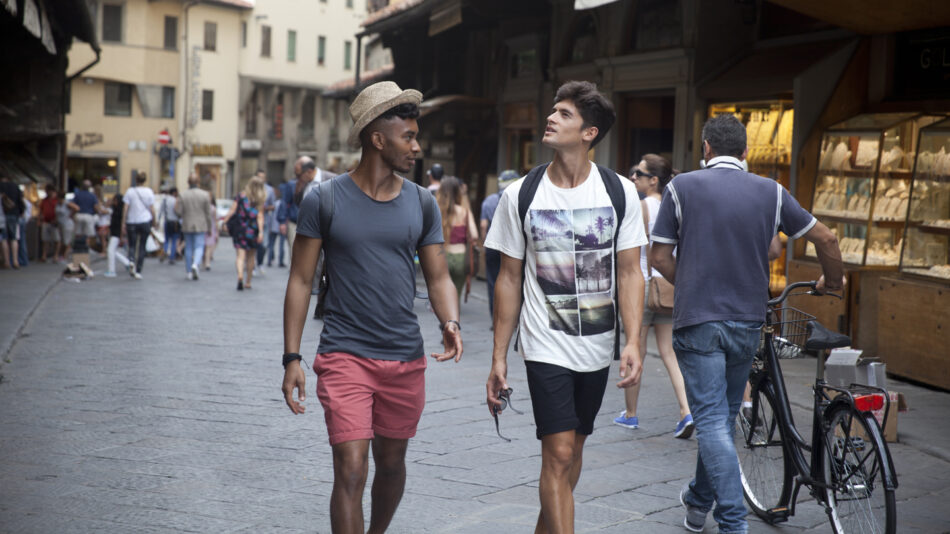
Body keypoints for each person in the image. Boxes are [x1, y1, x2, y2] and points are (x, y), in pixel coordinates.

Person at [281, 81, 463, 534]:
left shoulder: (421, 202)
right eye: (409, 137)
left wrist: (451, 321)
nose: (417, 147)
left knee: (392, 464)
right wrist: (291, 357)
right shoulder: (323, 199)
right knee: (351, 466)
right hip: (344, 352)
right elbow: (301, 279)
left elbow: (438, 276)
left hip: (404, 355)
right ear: (377, 139)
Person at [649, 114, 844, 534]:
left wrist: (693, 284)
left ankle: (733, 523)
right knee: (719, 416)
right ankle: (698, 503)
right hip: (747, 322)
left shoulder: (681, 187)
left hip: (698, 321)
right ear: (745, 153)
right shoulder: (771, 191)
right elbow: (826, 239)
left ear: (705, 148)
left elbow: (659, 257)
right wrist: (835, 281)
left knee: (712, 421)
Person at [484, 80, 647, 533]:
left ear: (589, 132)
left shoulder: (619, 193)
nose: (551, 118)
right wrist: (499, 356)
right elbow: (508, 278)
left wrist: (633, 340)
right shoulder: (521, 194)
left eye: (564, 114)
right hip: (543, 343)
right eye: (552, 110)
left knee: (572, 453)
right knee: (557, 453)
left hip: (596, 344)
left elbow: (631, 272)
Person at [613, 155, 693, 439]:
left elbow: (632, 251)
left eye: (639, 173)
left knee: (636, 348)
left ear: (654, 180)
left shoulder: (642, 206)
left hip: (645, 286)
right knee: (670, 353)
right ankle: (686, 411)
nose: (633, 177)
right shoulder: (675, 206)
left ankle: (631, 415)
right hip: (670, 285)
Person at [480, 170, 518, 320]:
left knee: (493, 282)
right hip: (514, 245)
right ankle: (513, 318)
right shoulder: (518, 198)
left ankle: (494, 317)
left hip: (493, 245)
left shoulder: (489, 201)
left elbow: (483, 225)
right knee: (514, 280)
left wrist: (484, 244)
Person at [436, 176, 478, 301]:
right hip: (461, 258)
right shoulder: (465, 212)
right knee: (455, 297)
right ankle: (453, 319)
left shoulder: (438, 211)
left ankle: (443, 319)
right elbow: (475, 234)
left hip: (442, 257)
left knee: (442, 298)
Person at [222, 176, 265, 290]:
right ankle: (248, 281)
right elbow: (260, 216)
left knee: (240, 257)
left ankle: (240, 276)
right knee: (251, 257)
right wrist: (261, 232)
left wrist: (224, 222)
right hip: (253, 230)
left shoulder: (241, 196)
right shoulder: (260, 199)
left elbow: (232, 210)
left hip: (240, 229)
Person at [176, 173, 214, 281]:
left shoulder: (183, 195)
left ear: (188, 182)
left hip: (187, 224)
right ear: (198, 182)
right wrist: (210, 227)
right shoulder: (205, 195)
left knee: (188, 247)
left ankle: (188, 271)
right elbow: (208, 213)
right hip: (200, 224)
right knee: (199, 246)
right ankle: (195, 264)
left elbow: (179, 212)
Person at [122, 172, 156, 279]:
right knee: (142, 246)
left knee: (132, 244)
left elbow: (125, 208)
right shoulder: (149, 191)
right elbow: (152, 208)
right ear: (144, 180)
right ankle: (138, 270)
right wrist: (155, 220)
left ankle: (131, 260)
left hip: (132, 221)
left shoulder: (130, 191)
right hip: (145, 221)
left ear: (135, 180)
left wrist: (123, 221)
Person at [0, 175, 24, 268]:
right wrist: (20, 211)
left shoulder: (0, 186)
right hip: (14, 214)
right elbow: (20, 201)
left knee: (4, 239)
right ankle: (15, 261)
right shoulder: (15, 186)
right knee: (14, 238)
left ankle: (6, 262)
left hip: (2, 215)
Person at [254, 170, 275, 276]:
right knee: (252, 244)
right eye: (259, 177)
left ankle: (260, 262)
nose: (261, 179)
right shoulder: (251, 189)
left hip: (265, 221)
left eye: (263, 177)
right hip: (252, 221)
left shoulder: (270, 190)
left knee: (264, 244)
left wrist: (266, 208)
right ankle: (252, 265)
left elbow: (273, 205)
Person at [103, 194, 130, 277]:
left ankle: (112, 270)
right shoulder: (117, 210)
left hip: (116, 233)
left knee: (110, 251)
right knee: (112, 251)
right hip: (115, 233)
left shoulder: (118, 212)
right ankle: (127, 263)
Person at [72, 180, 101, 251]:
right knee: (89, 234)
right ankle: (86, 247)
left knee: (78, 233)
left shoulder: (78, 194)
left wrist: (72, 214)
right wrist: (98, 213)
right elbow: (95, 207)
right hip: (88, 216)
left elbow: (73, 204)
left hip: (79, 215)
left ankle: (78, 247)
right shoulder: (92, 196)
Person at [55, 190, 78, 263]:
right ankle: (62, 256)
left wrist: (71, 215)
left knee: (66, 241)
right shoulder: (58, 204)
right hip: (60, 224)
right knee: (62, 240)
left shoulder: (67, 203)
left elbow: (76, 208)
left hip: (67, 224)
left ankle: (64, 256)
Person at [160, 187, 181, 265]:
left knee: (166, 239)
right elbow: (179, 212)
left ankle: (165, 251)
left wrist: (158, 221)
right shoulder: (176, 200)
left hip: (167, 221)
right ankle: (172, 257)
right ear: (174, 192)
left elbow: (161, 211)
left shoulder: (165, 200)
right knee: (174, 240)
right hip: (175, 222)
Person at [38, 185, 59, 262]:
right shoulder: (44, 200)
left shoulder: (57, 200)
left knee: (56, 239)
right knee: (45, 240)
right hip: (46, 221)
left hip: (55, 222)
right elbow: (41, 210)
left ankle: (55, 255)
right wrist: (39, 220)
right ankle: (44, 255)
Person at [267, 197, 286, 268]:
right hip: (282, 225)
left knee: (271, 244)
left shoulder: (274, 203)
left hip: (273, 226)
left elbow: (271, 216)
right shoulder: (284, 203)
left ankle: (269, 260)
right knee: (281, 244)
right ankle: (280, 261)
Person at [203, 193, 218, 271]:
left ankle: (207, 262)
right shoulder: (208, 208)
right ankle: (206, 262)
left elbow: (215, 220)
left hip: (209, 228)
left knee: (208, 246)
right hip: (205, 228)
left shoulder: (212, 208)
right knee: (205, 247)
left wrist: (216, 231)